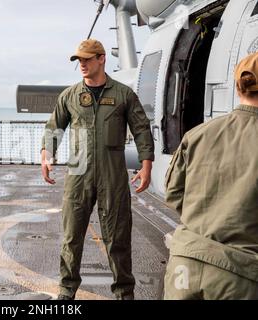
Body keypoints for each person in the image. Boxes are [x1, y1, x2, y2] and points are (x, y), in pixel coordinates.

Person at [41, 39, 154, 300]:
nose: (82, 64)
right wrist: (47, 155)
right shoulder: (69, 95)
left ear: (101, 59)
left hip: (112, 174)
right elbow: (54, 127)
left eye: (87, 59)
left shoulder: (124, 94)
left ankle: (125, 293)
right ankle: (66, 291)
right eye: (79, 60)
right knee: (71, 237)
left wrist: (146, 165)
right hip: (78, 173)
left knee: (118, 238)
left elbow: (140, 129)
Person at [164, 52, 258, 300]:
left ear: (238, 87)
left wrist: (207, 219)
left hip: (185, 265)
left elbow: (174, 195)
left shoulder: (197, 134)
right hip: (241, 275)